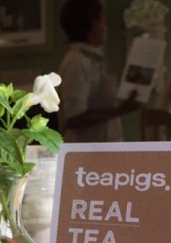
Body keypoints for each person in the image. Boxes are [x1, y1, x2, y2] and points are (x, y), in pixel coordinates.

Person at [58, 0, 139, 143]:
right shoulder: (77, 63)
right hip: (84, 151)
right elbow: (76, 116)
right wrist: (121, 110)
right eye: (104, 21)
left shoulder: (91, 61)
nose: (106, 28)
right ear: (93, 25)